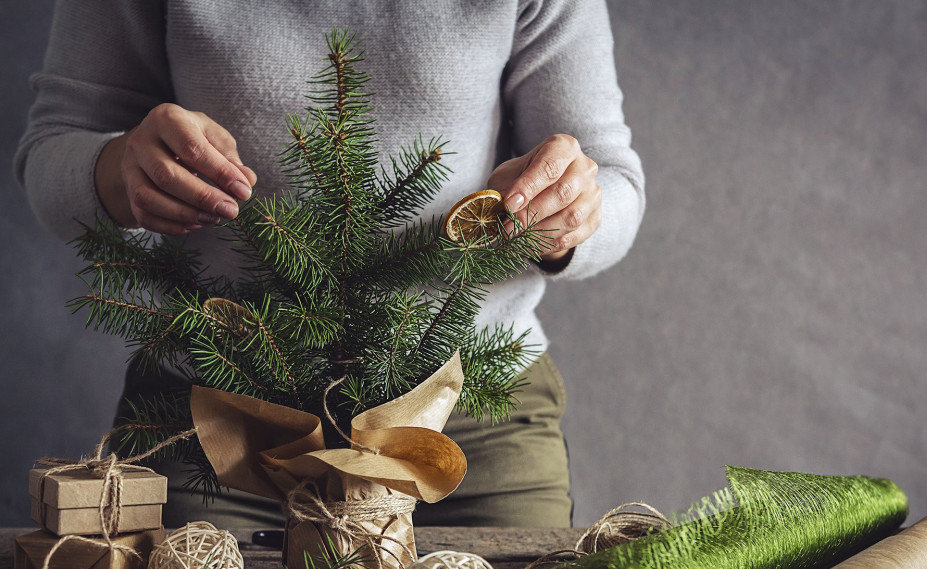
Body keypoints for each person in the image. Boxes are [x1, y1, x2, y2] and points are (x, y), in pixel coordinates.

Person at [15, 0, 645, 529]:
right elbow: (53, 149)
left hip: (468, 398)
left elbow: (612, 180)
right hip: (219, 408)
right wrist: (118, 166)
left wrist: (569, 214)